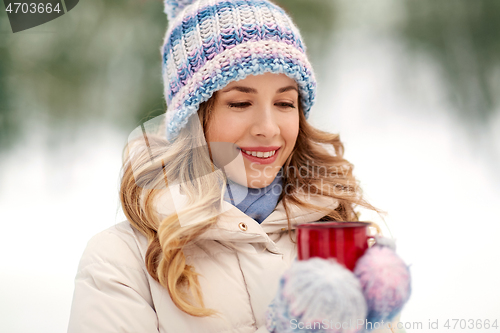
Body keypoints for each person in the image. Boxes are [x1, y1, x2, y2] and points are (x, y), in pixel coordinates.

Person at [68, 0, 404, 332]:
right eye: (241, 103)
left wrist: (375, 318)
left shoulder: (331, 232)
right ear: (193, 120)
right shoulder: (121, 260)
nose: (268, 128)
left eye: (285, 103)